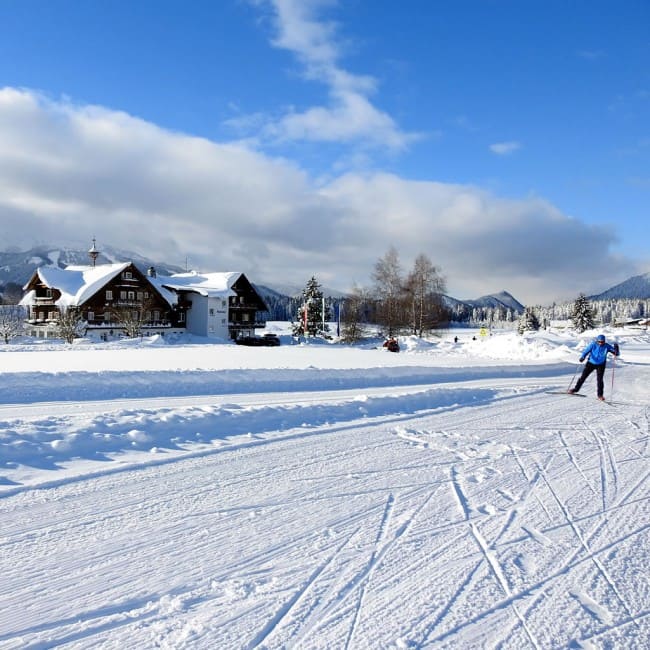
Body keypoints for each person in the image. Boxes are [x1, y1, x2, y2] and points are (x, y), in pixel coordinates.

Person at [569, 334, 620, 400]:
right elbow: (586, 351)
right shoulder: (593, 344)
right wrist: (582, 357)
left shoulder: (607, 346)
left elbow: (617, 354)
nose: (601, 343)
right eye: (599, 342)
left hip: (601, 365)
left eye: (602, 342)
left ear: (604, 341)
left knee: (600, 380)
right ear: (597, 341)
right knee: (583, 377)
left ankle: (600, 395)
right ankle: (575, 389)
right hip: (591, 363)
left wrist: (616, 348)